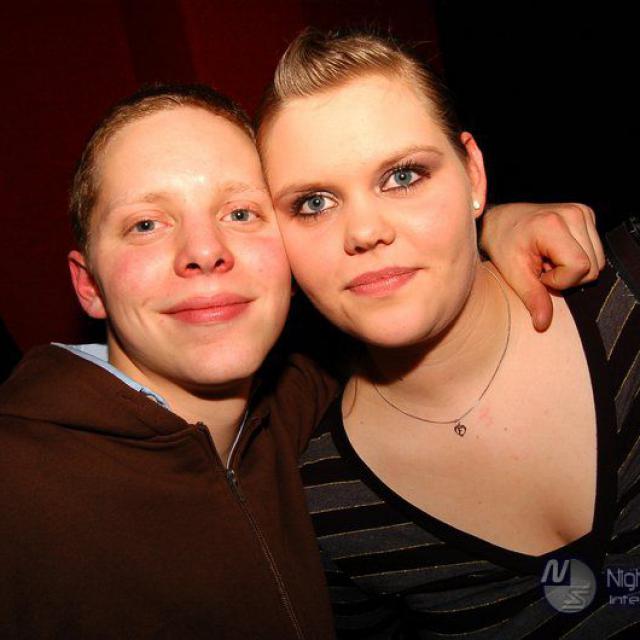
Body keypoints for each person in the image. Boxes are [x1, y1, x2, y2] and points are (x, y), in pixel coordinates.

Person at [0, 83, 602, 638]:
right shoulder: (18, 489)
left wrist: (490, 225)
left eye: (240, 213)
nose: (204, 251)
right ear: (89, 285)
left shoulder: (310, 394)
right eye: (146, 224)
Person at [256, 30, 640, 638]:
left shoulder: (630, 296)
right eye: (314, 203)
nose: (365, 230)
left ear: (474, 176)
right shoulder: (329, 510)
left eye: (403, 176)